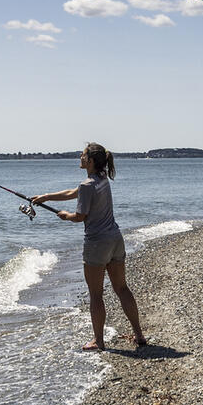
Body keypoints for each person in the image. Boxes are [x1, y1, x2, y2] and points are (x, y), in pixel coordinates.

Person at [30, 143, 149, 352]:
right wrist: (46, 197)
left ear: (91, 161)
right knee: (122, 288)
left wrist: (65, 216)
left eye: (83, 155)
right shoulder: (102, 179)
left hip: (97, 244)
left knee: (96, 295)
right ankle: (139, 335)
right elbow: (74, 192)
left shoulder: (87, 184)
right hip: (115, 239)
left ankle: (98, 341)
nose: (80, 156)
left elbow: (80, 216)